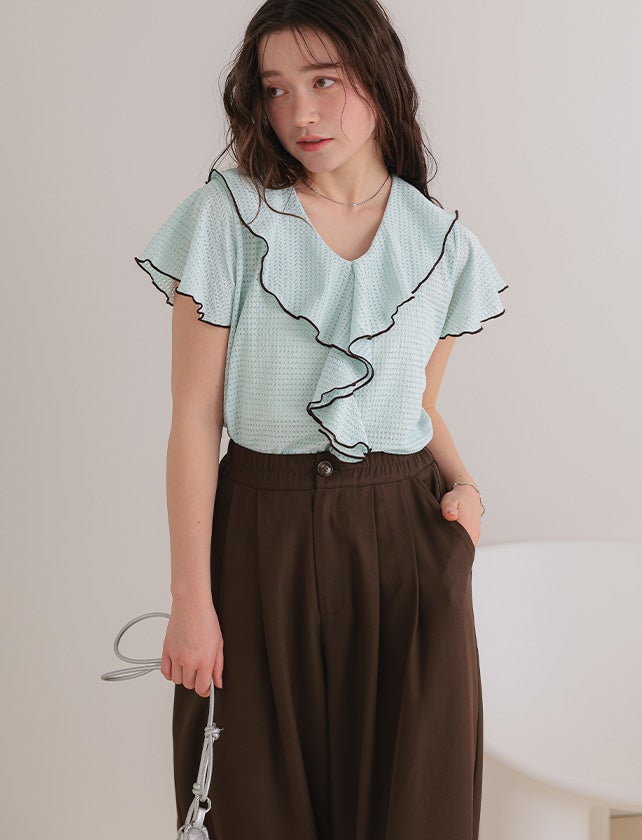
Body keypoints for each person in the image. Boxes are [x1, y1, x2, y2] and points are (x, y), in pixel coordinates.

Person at [134, 1, 508, 837]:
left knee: (413, 811)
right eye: (276, 88)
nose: (299, 112)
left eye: (325, 81)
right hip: (259, 538)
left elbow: (417, 406)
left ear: (380, 78)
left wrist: (468, 489)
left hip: (407, 542)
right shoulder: (227, 218)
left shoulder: (441, 243)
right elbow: (194, 419)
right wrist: (191, 600)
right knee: (251, 804)